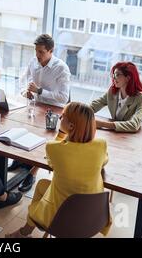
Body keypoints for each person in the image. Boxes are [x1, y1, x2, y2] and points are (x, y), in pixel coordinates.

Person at [6, 102, 111, 238]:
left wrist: (61, 133)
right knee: (44, 185)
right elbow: (105, 160)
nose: (60, 118)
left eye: (63, 116)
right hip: (94, 216)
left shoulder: (54, 148)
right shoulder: (101, 144)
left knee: (42, 185)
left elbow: (50, 160)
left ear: (71, 126)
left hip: (61, 217)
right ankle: (24, 232)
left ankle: (26, 231)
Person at [9, 33, 71, 192]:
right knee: (21, 130)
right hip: (36, 106)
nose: (37, 55)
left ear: (51, 51)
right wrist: (26, 92)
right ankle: (21, 160)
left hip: (54, 111)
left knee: (45, 142)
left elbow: (63, 98)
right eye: (36, 51)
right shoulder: (33, 62)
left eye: (41, 52)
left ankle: (32, 173)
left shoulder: (61, 68)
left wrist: (39, 91)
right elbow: (24, 82)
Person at [89, 61, 142, 132]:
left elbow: (134, 125)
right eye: (113, 75)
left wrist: (101, 124)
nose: (113, 78)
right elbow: (94, 105)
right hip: (114, 134)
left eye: (117, 75)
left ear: (128, 78)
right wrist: (80, 113)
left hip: (131, 137)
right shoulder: (112, 92)